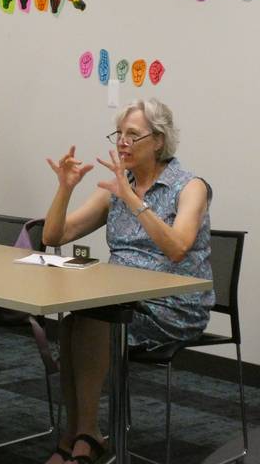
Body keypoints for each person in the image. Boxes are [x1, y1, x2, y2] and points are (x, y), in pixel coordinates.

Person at [41, 98, 213, 464]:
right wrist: (65, 188)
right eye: (119, 133)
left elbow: (178, 247)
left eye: (132, 135)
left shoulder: (190, 186)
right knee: (74, 324)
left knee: (90, 325)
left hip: (173, 306)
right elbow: (55, 236)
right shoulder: (120, 185)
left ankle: (84, 436)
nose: (122, 142)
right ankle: (79, 433)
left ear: (159, 141)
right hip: (121, 300)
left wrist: (134, 200)